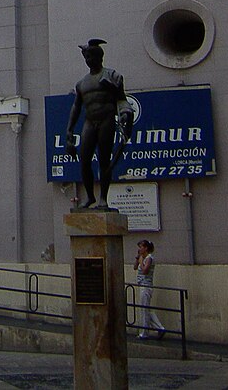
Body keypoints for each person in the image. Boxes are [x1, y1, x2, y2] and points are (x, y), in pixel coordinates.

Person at [65, 38, 129, 209]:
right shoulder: (81, 83)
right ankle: (90, 197)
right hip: (89, 121)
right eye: (86, 57)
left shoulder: (112, 76)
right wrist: (69, 130)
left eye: (91, 57)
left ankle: (103, 198)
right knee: (84, 159)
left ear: (100, 57)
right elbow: (76, 107)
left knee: (104, 160)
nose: (88, 60)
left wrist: (125, 112)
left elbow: (122, 99)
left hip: (106, 120)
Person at [134, 240, 166, 340]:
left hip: (146, 286)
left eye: (141, 247)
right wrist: (138, 259)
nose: (139, 249)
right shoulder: (142, 257)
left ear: (146, 248)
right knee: (146, 309)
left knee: (144, 309)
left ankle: (144, 333)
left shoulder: (149, 258)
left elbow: (145, 271)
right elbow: (135, 267)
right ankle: (160, 328)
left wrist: (141, 262)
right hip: (141, 285)